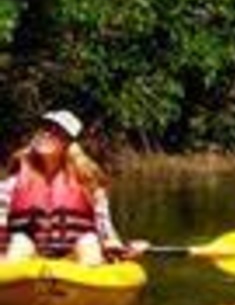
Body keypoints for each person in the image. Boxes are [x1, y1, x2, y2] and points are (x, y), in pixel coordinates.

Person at [1, 110, 145, 265]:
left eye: (57, 132)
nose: (47, 134)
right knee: (20, 241)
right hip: (29, 258)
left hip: (76, 255)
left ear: (68, 143)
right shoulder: (12, 184)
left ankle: (86, 283)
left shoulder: (88, 183)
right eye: (44, 129)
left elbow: (105, 227)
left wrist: (120, 247)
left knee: (88, 241)